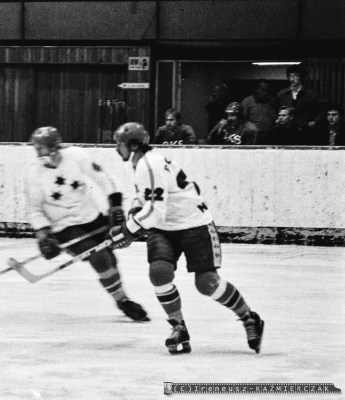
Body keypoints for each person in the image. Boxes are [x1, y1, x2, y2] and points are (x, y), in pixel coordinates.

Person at [108, 122, 265, 355]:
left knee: (207, 283)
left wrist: (127, 230)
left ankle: (249, 317)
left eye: (119, 144)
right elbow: (145, 198)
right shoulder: (141, 163)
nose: (116, 149)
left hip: (194, 224)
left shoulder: (149, 164)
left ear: (132, 145)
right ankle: (178, 327)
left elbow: (155, 211)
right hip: (163, 228)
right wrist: (133, 213)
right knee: (159, 272)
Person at [25, 126, 149, 322]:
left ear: (54, 147)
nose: (38, 153)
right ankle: (123, 302)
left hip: (92, 218)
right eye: (36, 148)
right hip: (64, 229)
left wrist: (115, 205)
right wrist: (43, 235)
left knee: (110, 259)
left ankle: (121, 297)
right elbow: (35, 210)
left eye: (41, 148)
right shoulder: (34, 173)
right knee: (100, 258)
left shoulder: (76, 155)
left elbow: (104, 178)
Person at [274, 64, 325, 134]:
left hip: (304, 130)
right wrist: (276, 119)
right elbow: (274, 109)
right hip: (286, 130)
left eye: (295, 75)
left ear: (301, 77)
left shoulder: (310, 95)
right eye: (290, 76)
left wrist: (315, 121)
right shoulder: (282, 94)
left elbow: (322, 110)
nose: (292, 79)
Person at [240, 79, 276, 144]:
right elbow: (242, 122)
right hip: (253, 137)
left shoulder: (271, 101)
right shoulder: (247, 102)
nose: (266, 93)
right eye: (263, 90)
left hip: (269, 136)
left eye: (267, 90)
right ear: (256, 90)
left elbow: (273, 118)